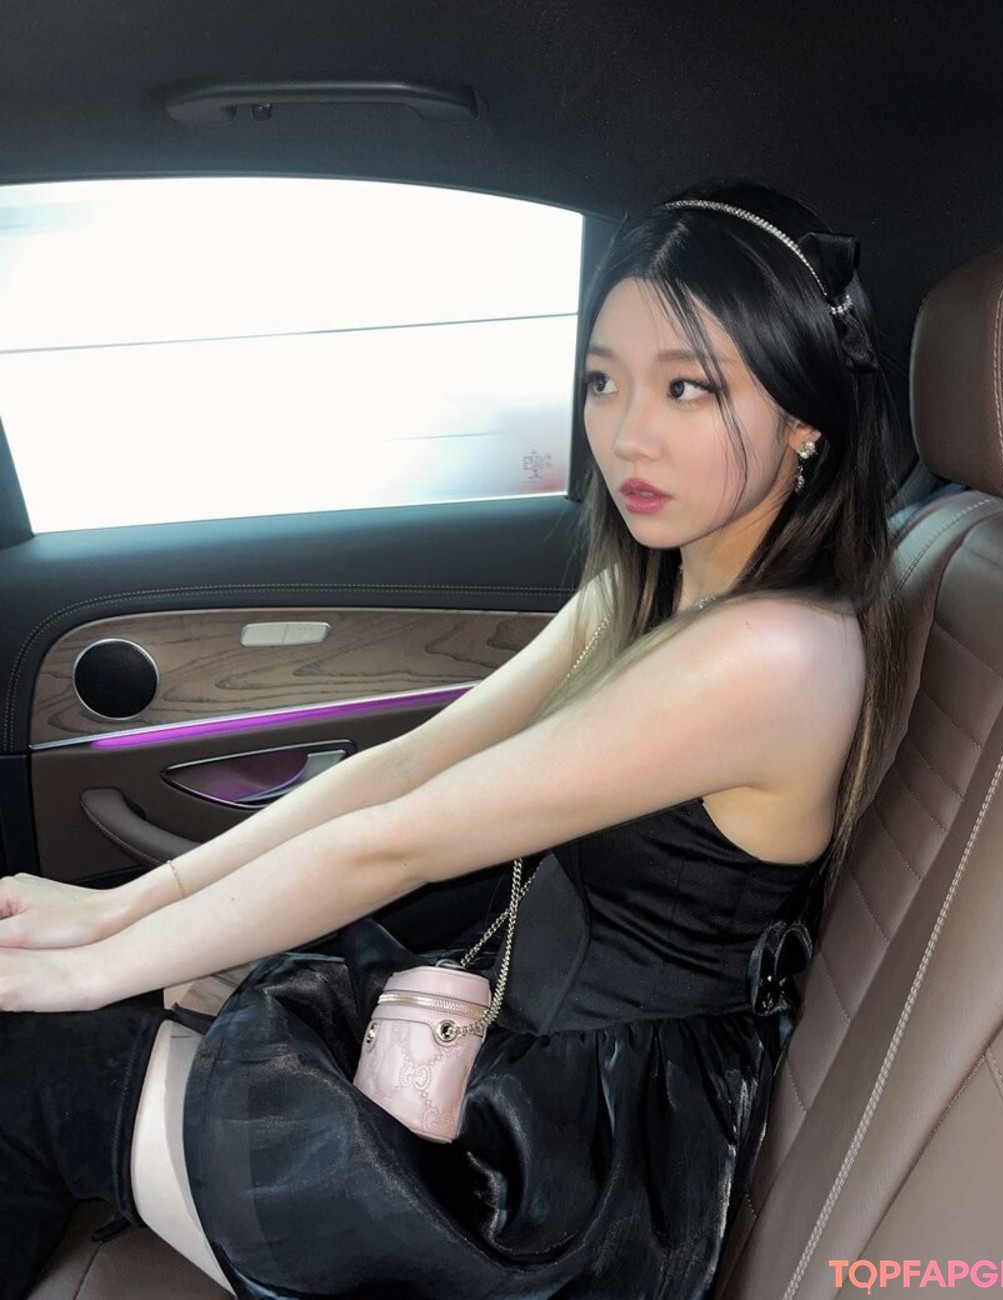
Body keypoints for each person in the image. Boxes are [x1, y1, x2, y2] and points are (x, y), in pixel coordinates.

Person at [0, 182, 903, 1300]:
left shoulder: (774, 653)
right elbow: (411, 763)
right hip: (513, 1043)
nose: (627, 433)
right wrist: (121, 910)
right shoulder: (659, 587)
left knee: (34, 1058)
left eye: (688, 387)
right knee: (114, 995)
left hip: (561, 1174)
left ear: (805, 416)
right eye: (603, 381)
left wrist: (93, 960)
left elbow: (397, 841)